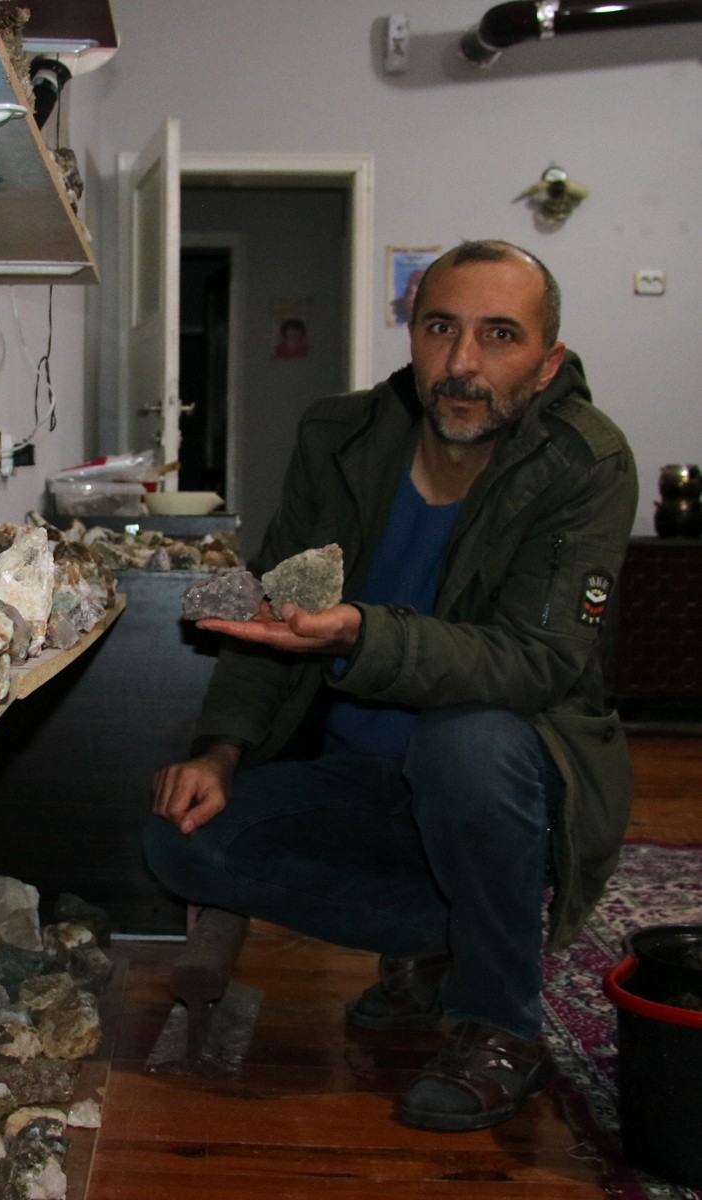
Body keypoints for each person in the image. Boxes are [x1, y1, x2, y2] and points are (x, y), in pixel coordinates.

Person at [145, 239, 638, 1132]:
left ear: (547, 362)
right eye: (441, 328)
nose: (462, 362)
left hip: (502, 777)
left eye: (499, 335)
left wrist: (364, 634)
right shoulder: (342, 435)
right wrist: (219, 752)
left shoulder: (583, 462)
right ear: (412, 334)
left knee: (466, 741)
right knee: (181, 840)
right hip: (359, 771)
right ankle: (443, 933)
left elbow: (537, 660)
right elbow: (274, 609)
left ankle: (503, 1028)